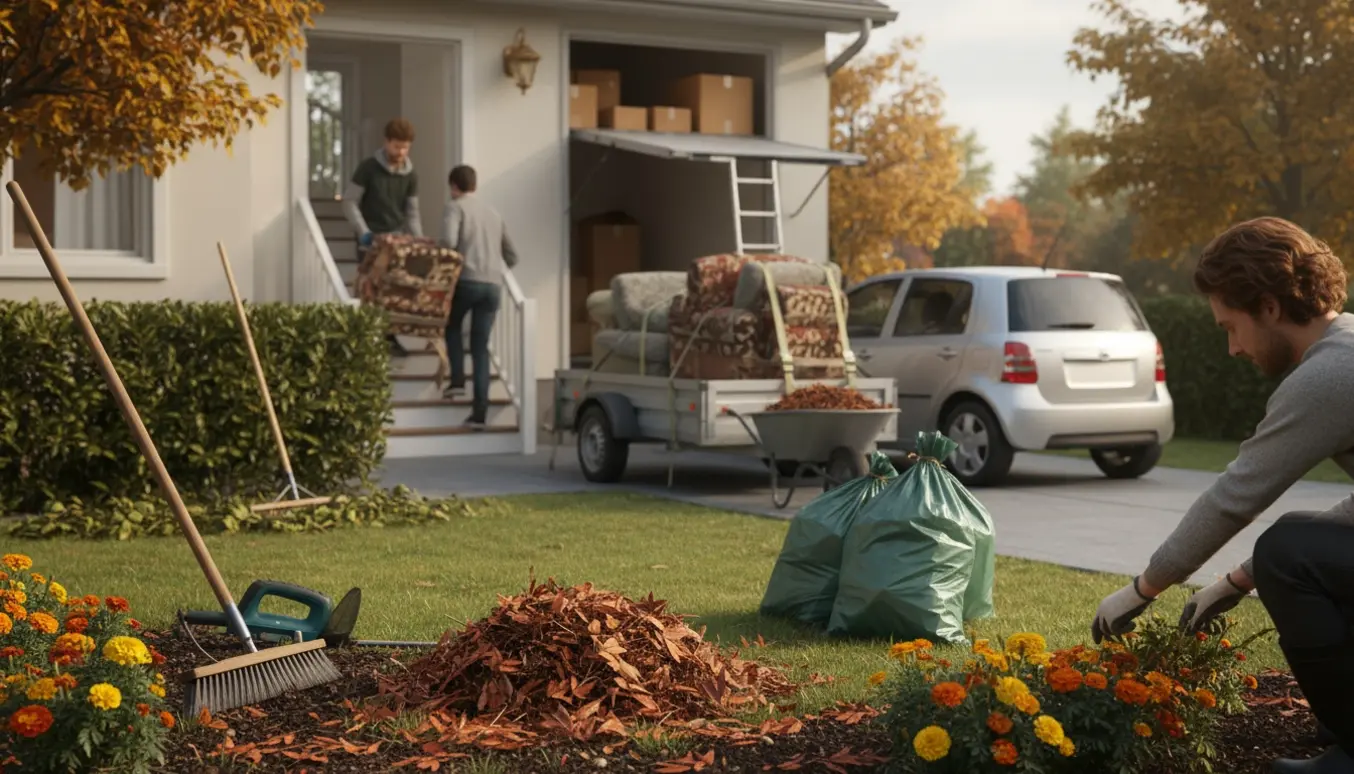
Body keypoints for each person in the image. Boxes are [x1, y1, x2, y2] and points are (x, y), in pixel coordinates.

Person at [1089, 217, 1354, 774]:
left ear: (1270, 306)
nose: (1232, 348)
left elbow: (1237, 493)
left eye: (1231, 327)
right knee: (1299, 540)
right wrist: (1238, 578)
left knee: (1288, 550)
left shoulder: (1329, 374)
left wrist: (1142, 589)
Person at [439, 164, 519, 430]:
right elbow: (512, 256)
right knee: (480, 347)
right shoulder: (493, 213)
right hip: (492, 286)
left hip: (467, 281)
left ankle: (458, 382)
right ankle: (479, 414)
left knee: (451, 326)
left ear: (454, 186)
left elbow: (449, 242)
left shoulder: (455, 207)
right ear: (474, 185)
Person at [342, 118, 424, 355]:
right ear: (386, 142)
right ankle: (370, 339)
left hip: (397, 239)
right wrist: (363, 232)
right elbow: (349, 201)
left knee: (393, 290)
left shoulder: (411, 175)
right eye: (397, 146)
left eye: (405, 147)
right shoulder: (368, 168)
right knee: (370, 289)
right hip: (370, 238)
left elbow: (412, 212)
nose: (401, 152)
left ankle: (389, 338)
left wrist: (417, 238)